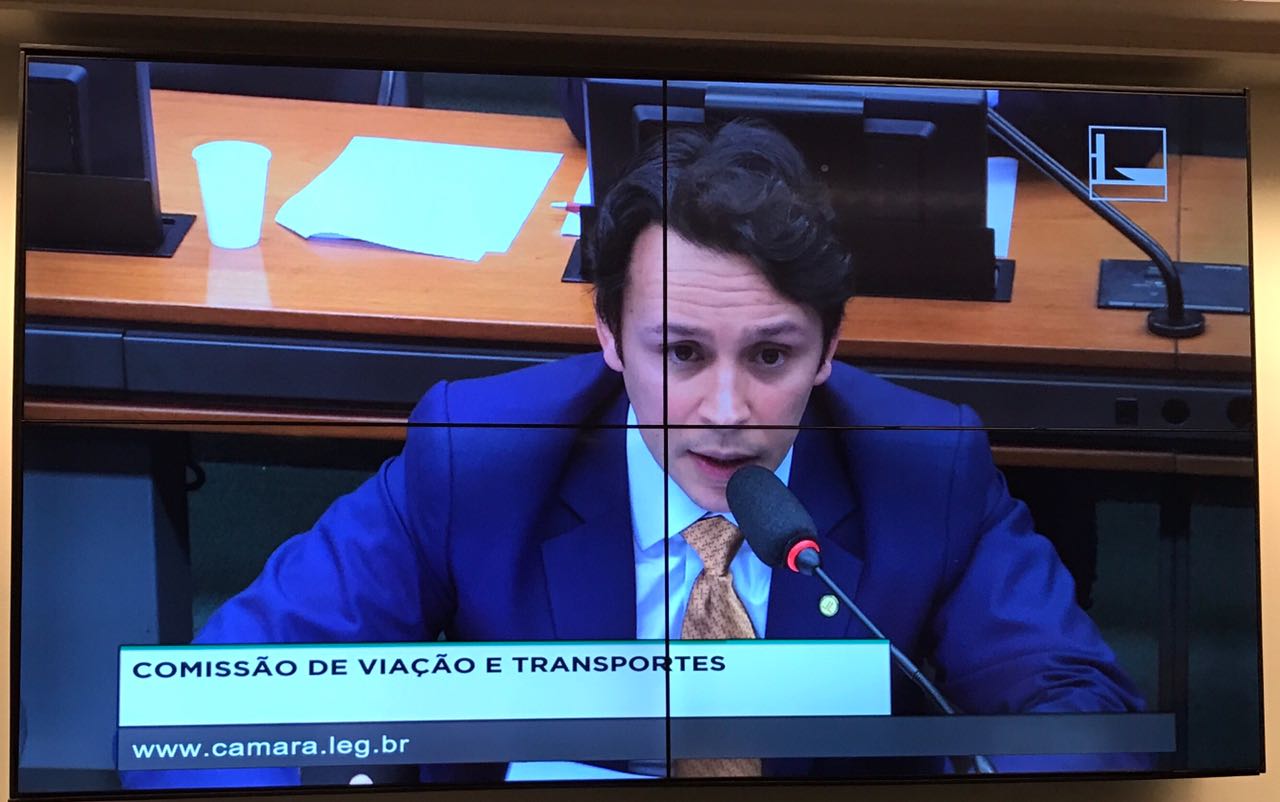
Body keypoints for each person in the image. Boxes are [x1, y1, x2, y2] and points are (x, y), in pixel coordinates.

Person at [124, 121, 1146, 788]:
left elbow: (1083, 721)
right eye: (680, 353)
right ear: (610, 341)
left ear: (831, 348)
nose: (726, 412)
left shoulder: (924, 467)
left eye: (772, 356)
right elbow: (212, 707)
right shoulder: (479, 457)